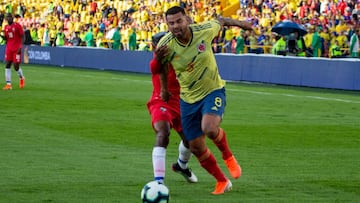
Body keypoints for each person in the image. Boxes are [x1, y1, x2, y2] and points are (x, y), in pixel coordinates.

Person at [156, 6, 252, 195]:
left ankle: (228, 156)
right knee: (196, 147)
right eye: (171, 23)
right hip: (188, 99)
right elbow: (162, 67)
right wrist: (165, 90)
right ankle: (222, 181)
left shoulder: (204, 30)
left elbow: (223, 20)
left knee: (209, 128)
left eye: (179, 21)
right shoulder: (165, 45)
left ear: (188, 19)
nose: (176, 26)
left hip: (212, 90)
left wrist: (243, 25)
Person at [147, 32, 198, 184]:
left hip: (182, 104)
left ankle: (181, 165)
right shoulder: (157, 61)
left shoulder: (180, 57)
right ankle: (159, 183)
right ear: (154, 47)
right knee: (163, 132)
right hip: (161, 102)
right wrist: (158, 57)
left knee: (192, 141)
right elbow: (154, 66)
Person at [2, 13, 25, 90]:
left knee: (16, 66)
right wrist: (2, 36)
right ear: (6, 19)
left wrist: (20, 47)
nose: (9, 18)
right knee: (7, 64)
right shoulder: (5, 27)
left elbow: (23, 36)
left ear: (12, 18)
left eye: (10, 17)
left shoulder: (17, 26)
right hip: (9, 48)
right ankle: (8, 84)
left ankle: (21, 78)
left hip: (17, 48)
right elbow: (6, 38)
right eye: (7, 17)